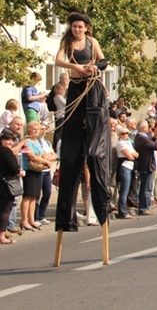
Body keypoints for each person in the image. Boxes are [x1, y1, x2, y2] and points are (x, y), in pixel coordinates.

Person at [53, 12, 112, 232]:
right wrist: (75, 67)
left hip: (93, 88)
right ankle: (67, 217)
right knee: (72, 150)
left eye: (81, 27)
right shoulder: (67, 43)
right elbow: (57, 60)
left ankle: (102, 207)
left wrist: (95, 67)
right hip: (77, 88)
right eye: (75, 27)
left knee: (96, 150)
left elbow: (103, 60)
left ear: (86, 28)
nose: (78, 30)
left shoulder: (92, 42)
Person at [0, 128, 24, 245]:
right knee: (5, 211)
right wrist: (20, 172)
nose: (10, 142)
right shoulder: (6, 152)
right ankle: (1, 236)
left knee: (0, 210)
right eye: (7, 140)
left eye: (12, 140)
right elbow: (14, 168)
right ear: (1, 140)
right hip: (7, 185)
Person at [20, 121, 52, 230]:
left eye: (37, 129)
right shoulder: (27, 141)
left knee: (34, 196)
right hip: (30, 170)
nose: (36, 131)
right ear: (29, 130)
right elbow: (31, 156)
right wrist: (46, 161)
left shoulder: (36, 142)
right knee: (28, 196)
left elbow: (44, 153)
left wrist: (47, 158)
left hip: (38, 170)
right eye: (34, 129)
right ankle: (24, 220)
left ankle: (31, 219)